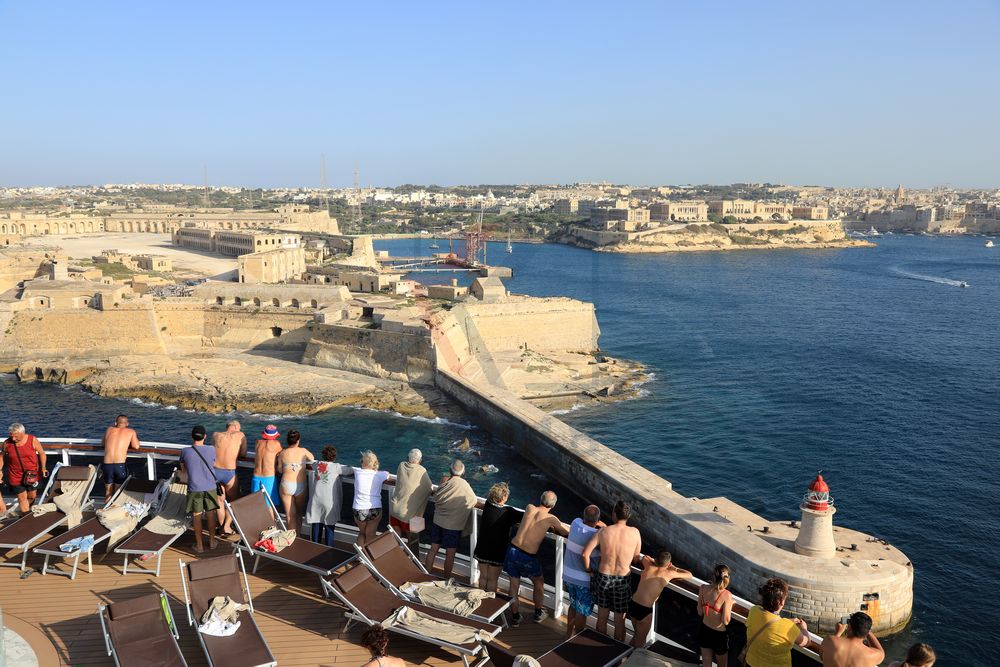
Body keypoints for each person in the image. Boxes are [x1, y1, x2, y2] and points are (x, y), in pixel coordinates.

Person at [503, 490, 569, 626]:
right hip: (527, 556)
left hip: (512, 549)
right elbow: (566, 533)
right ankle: (538, 612)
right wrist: (552, 527)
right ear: (553, 505)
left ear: (540, 499)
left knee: (514, 585)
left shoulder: (529, 507)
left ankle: (515, 617)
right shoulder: (551, 519)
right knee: (539, 583)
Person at [582, 500, 641, 642]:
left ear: (614, 514)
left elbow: (585, 554)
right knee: (619, 620)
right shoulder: (635, 532)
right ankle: (618, 654)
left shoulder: (603, 531)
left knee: (602, 616)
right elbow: (636, 559)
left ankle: (601, 648)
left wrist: (589, 570)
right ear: (628, 516)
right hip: (622, 580)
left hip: (603, 577)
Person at [424, 459, 478, 578]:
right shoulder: (464, 485)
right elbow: (473, 500)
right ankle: (446, 579)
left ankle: (426, 574)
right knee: (450, 554)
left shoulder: (445, 483)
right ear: (463, 471)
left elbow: (437, 496)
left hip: (438, 521)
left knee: (433, 549)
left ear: (450, 470)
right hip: (453, 526)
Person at [628, 551, 692, 647]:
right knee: (640, 642)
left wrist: (654, 561)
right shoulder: (669, 573)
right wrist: (674, 567)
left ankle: (627, 655)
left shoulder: (649, 565)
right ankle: (632, 660)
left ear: (656, 559)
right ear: (669, 564)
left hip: (633, 604)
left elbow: (646, 556)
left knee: (636, 635)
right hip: (644, 610)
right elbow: (689, 574)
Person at [743, 577, 809, 667]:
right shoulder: (788, 627)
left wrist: (787, 622)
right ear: (781, 602)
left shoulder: (754, 611)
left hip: (751, 663)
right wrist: (804, 628)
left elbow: (769, 625)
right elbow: (805, 642)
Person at [562, 505, 604, 638]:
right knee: (582, 610)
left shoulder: (575, 523)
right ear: (597, 521)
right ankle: (577, 637)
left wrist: (597, 523)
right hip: (584, 580)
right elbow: (606, 531)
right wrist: (588, 569)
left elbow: (586, 521)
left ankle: (568, 635)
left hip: (569, 576)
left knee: (573, 605)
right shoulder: (596, 535)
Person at [474, 482, 523, 593]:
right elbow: (525, 516)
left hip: (482, 548)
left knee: (483, 577)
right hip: (497, 551)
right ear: (504, 497)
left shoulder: (487, 505)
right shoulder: (509, 512)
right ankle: (489, 602)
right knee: (492, 579)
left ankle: (479, 599)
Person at [178, 425, 218, 553]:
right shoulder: (211, 449)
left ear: (192, 436)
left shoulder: (185, 451)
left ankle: (199, 545)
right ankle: (212, 541)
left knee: (197, 515)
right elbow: (214, 464)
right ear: (205, 436)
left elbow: (184, 470)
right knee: (211, 514)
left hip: (194, 487)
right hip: (210, 486)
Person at [389, 448, 432, 552]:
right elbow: (429, 487)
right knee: (413, 540)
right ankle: (413, 563)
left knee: (396, 538)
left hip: (394, 509)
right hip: (411, 514)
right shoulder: (422, 470)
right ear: (420, 460)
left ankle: (396, 557)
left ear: (408, 457)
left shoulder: (401, 465)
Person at [0, 423, 48, 514]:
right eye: (12, 436)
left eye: (16, 436)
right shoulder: (7, 443)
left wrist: (43, 467)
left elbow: (42, 453)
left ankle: (26, 513)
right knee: (22, 498)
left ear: (23, 433)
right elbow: (1, 456)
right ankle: (26, 518)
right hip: (15, 474)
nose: (13, 439)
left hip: (32, 474)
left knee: (32, 496)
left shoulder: (32, 440)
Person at [306, 446, 346, 546]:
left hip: (317, 499)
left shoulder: (318, 464)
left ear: (323, 455)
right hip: (329, 501)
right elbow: (350, 471)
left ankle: (315, 546)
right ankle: (329, 548)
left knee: (316, 522)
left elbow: (312, 465)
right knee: (329, 525)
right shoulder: (337, 467)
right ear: (334, 457)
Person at [212, 420, 246, 536]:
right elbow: (243, 453)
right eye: (239, 428)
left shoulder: (216, 435)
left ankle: (222, 528)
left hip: (215, 471)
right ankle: (226, 526)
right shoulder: (240, 435)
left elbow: (213, 451)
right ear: (236, 427)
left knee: (220, 501)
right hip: (229, 472)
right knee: (234, 502)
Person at [350, 450, 390, 547]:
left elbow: (350, 469)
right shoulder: (379, 475)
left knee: (362, 533)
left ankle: (361, 557)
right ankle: (369, 558)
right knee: (370, 534)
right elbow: (387, 474)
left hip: (359, 509)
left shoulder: (357, 472)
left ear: (363, 462)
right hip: (374, 509)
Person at [697, 564, 734, 667]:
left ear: (713, 576)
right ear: (728, 578)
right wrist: (730, 604)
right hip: (719, 636)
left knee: (706, 664)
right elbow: (725, 621)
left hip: (704, 630)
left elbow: (700, 612)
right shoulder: (726, 595)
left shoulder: (703, 588)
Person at [277, 429, 313, 534]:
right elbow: (312, 458)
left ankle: (291, 539)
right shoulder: (303, 451)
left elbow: (279, 470)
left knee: (289, 515)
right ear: (298, 441)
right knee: (298, 513)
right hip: (300, 485)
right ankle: (298, 538)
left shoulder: (282, 453)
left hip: (286, 484)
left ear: (288, 441)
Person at [100, 415, 140, 504]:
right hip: (119, 465)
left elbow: (103, 444)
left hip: (107, 464)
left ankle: (106, 510)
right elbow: (136, 446)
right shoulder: (130, 431)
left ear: (115, 423)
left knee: (108, 492)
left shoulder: (109, 429)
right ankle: (115, 508)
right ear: (127, 423)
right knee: (118, 491)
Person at [250, 424, 282, 508]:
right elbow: (282, 456)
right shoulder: (276, 444)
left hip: (256, 476)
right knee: (269, 506)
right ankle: (270, 521)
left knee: (255, 505)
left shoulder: (257, 442)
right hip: (269, 477)